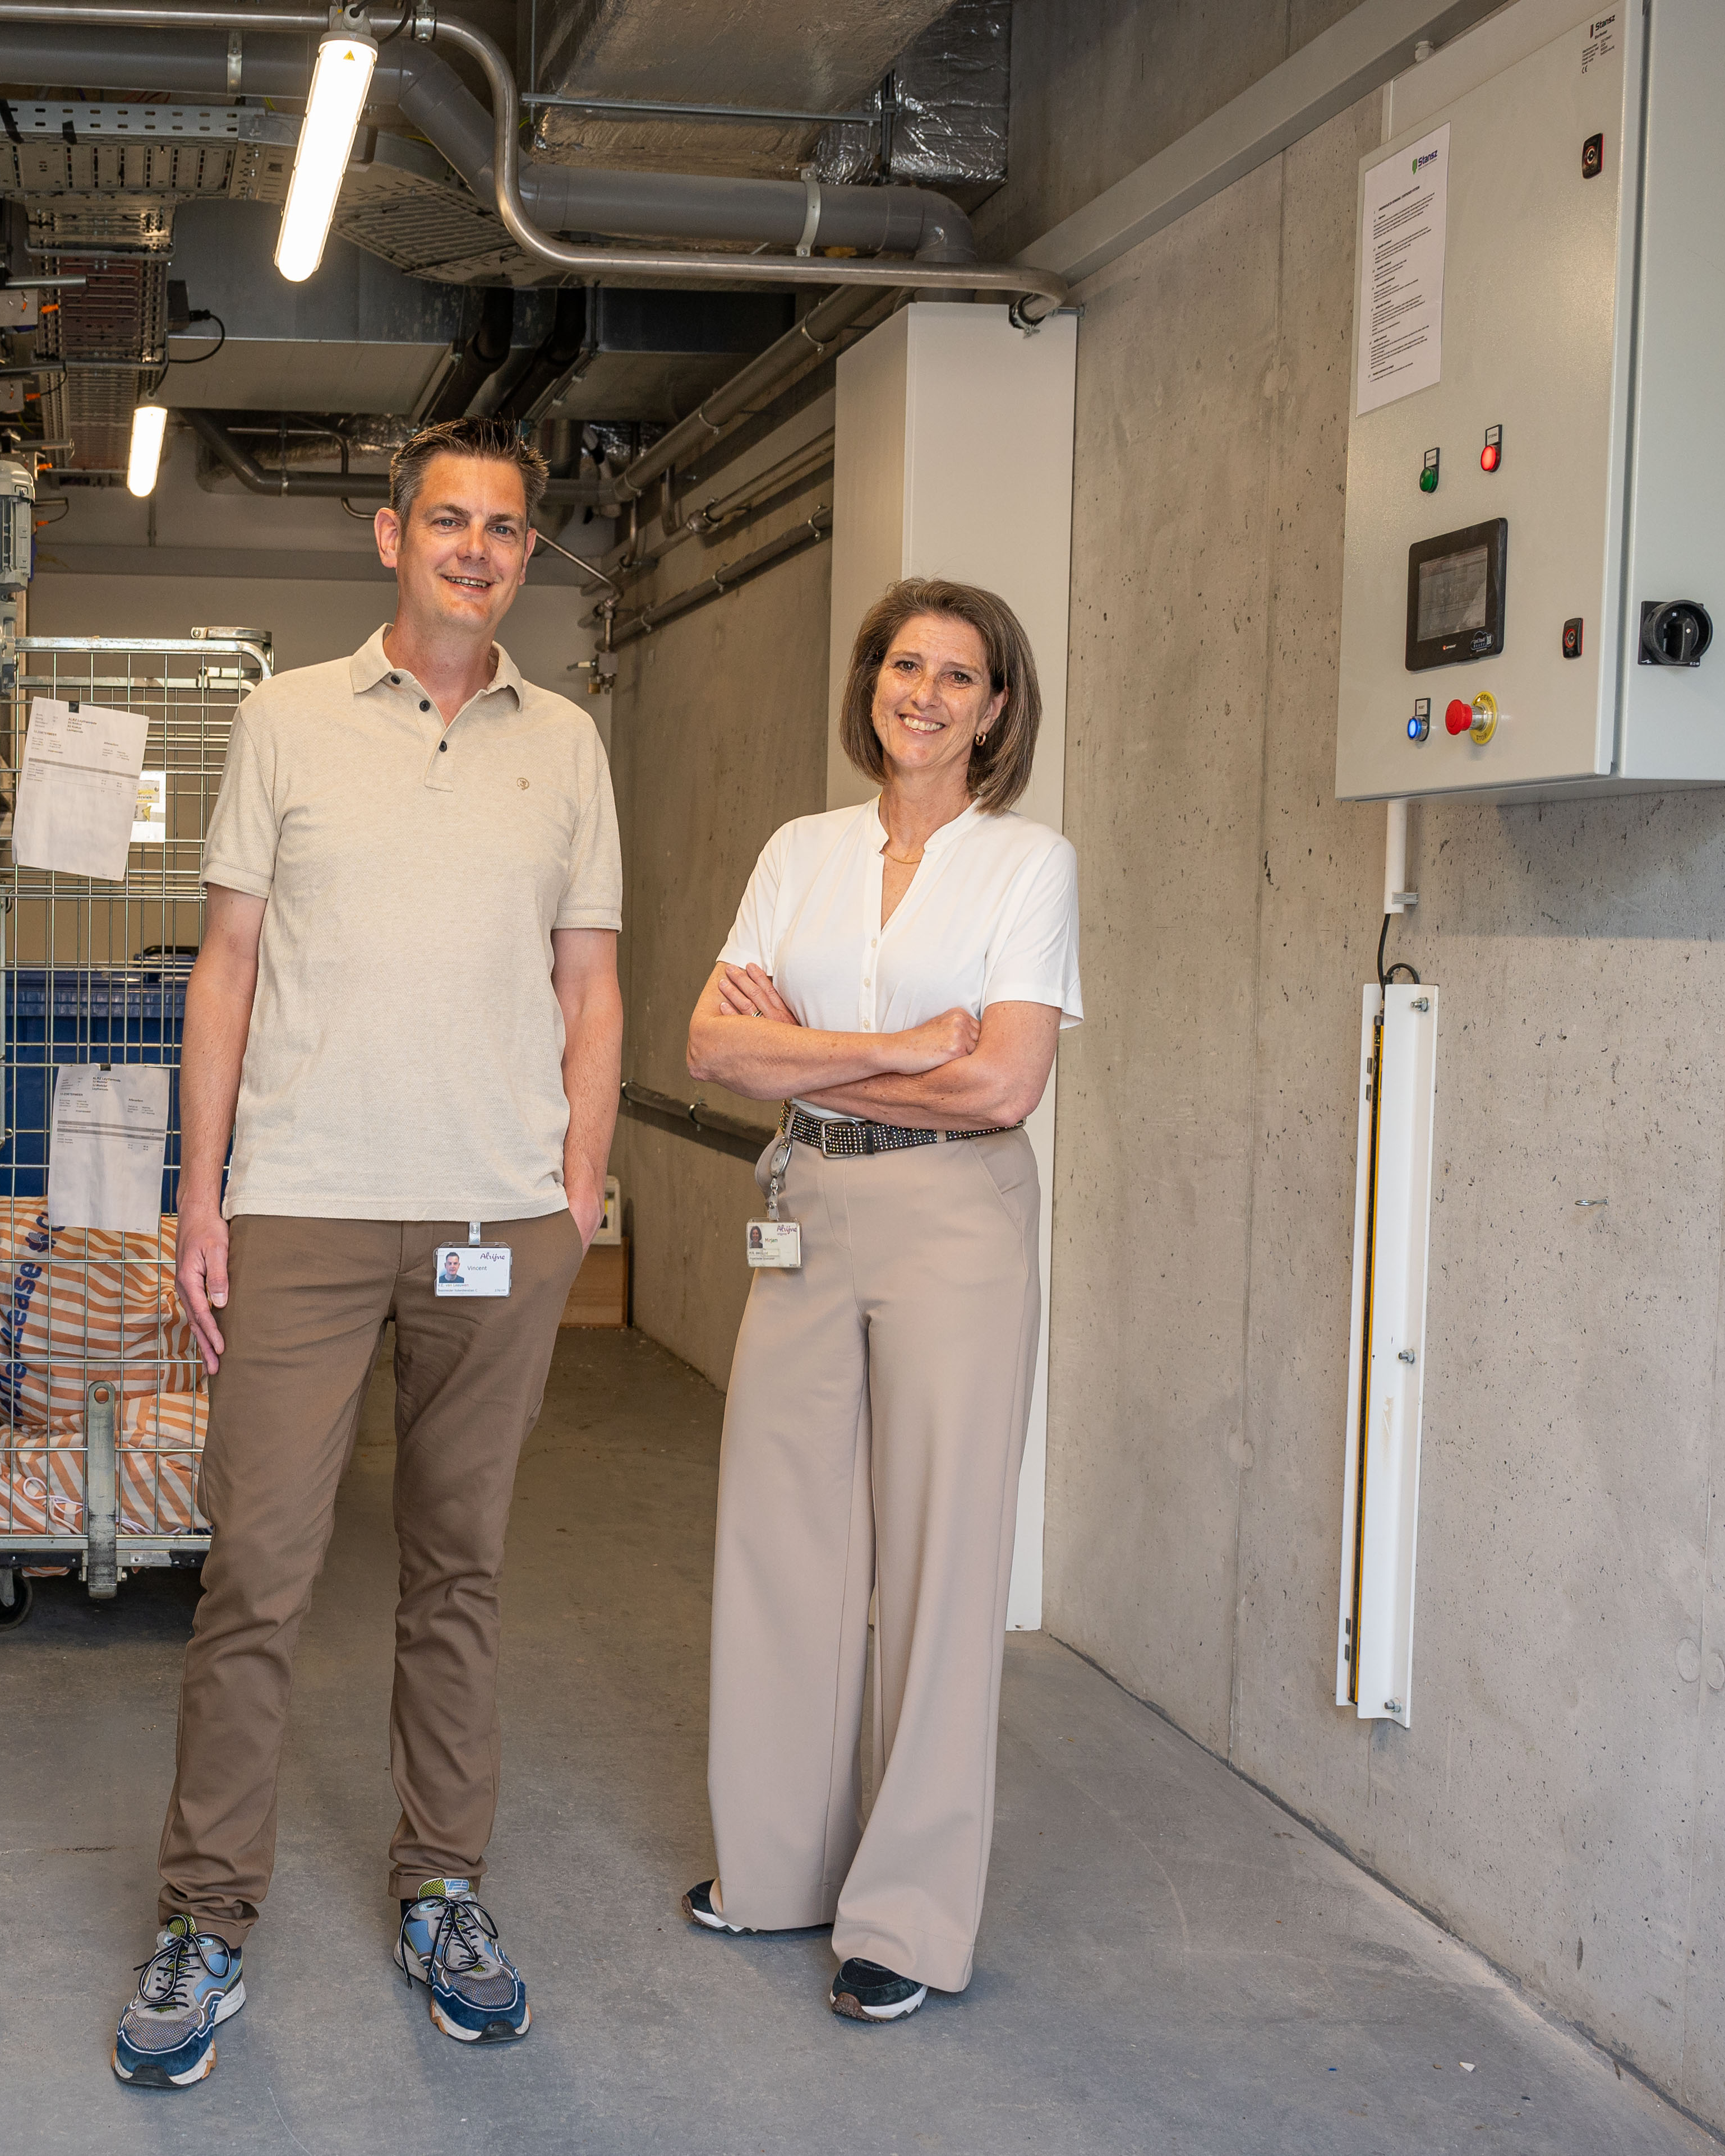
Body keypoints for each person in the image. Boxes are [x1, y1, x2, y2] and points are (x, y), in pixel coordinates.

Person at [110, 418, 624, 2088]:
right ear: (390, 537)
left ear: (525, 555)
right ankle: (202, 1917)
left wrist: (575, 1193)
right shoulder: (284, 720)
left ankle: (443, 1891)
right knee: (254, 1572)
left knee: (457, 1574)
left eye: (505, 527)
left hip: (492, 1218)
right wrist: (203, 1196)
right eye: (447, 520)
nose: (475, 548)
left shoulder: (569, 745)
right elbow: (228, 965)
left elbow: (591, 985)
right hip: (309, 1209)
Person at [678, 577, 1080, 2024]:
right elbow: (710, 1047)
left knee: (935, 1562)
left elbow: (1000, 1083)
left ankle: (903, 1921)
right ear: (870, 686)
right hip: (808, 1203)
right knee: (776, 1533)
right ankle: (775, 1869)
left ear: (994, 709)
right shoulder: (800, 850)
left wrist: (815, 1053)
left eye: (955, 675)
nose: (922, 691)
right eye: (901, 664)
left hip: (953, 1220)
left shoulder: (1026, 863)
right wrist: (901, 1043)